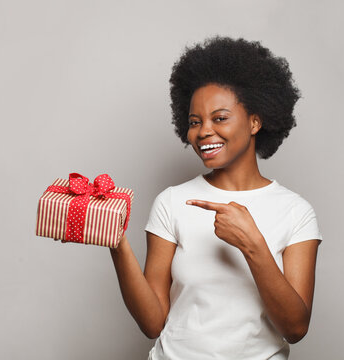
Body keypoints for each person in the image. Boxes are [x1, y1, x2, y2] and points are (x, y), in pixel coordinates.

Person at [110, 36, 322, 360]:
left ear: (255, 121)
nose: (204, 131)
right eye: (195, 122)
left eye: (219, 118)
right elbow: (153, 323)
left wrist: (252, 243)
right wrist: (117, 243)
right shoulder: (172, 202)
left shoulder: (296, 212)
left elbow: (295, 327)